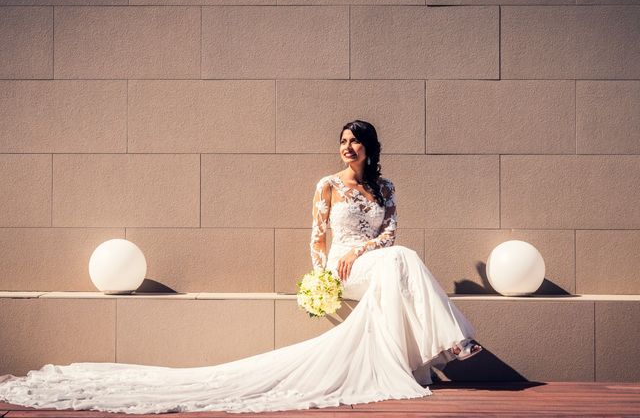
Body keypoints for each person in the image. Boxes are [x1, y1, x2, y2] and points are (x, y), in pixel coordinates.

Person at [0, 119, 482, 414]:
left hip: (376, 257)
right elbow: (317, 236)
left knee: (401, 255)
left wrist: (369, 248)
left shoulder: (386, 187)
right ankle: (451, 342)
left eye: (355, 142)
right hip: (344, 264)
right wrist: (324, 274)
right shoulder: (327, 184)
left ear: (370, 147)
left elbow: (391, 232)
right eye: (342, 141)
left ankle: (432, 351)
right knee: (403, 259)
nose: (347, 148)